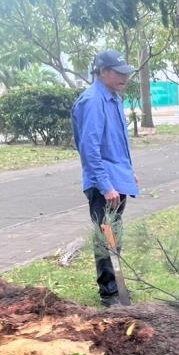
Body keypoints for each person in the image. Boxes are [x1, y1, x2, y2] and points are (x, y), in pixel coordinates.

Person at [72, 49, 139, 307]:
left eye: (127, 73)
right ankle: (110, 293)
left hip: (117, 179)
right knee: (106, 237)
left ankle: (117, 289)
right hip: (105, 185)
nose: (126, 77)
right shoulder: (92, 101)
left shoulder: (113, 98)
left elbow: (115, 143)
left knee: (114, 236)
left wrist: (128, 173)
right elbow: (89, 149)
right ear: (102, 72)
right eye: (119, 73)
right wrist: (106, 185)